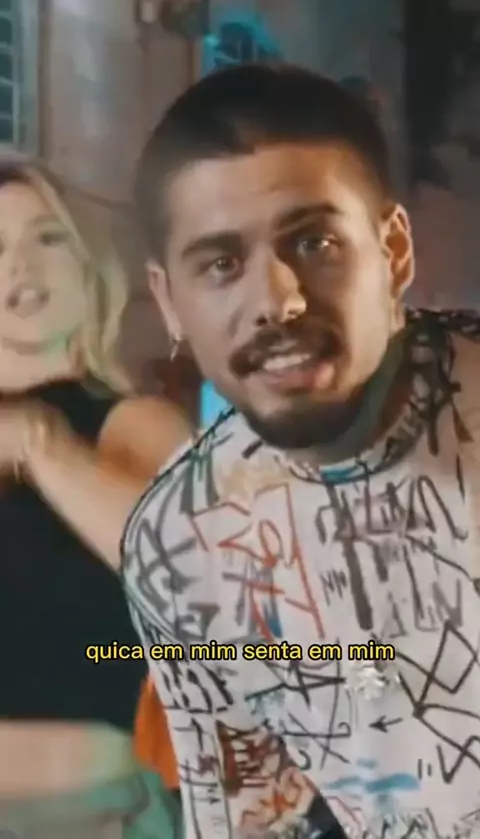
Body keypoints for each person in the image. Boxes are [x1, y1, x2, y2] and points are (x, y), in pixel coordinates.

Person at [0, 64, 479, 839]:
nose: (277, 299)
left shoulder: (127, 436)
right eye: (222, 263)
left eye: (315, 241)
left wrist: (39, 445)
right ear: (170, 298)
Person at [0, 161, 188, 838]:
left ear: (88, 269)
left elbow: (193, 579)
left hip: (91, 816)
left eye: (48, 238)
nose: (21, 264)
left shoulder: (134, 426)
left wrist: (41, 447)